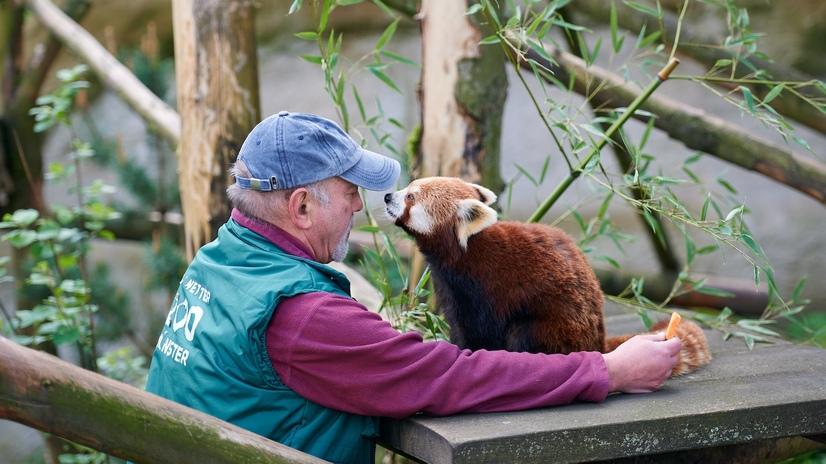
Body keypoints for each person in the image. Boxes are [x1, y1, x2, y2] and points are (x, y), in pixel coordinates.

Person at [145, 111, 681, 464]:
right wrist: (607, 371)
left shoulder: (219, 261)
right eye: (349, 191)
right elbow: (448, 378)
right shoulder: (300, 314)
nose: (360, 204)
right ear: (301, 207)